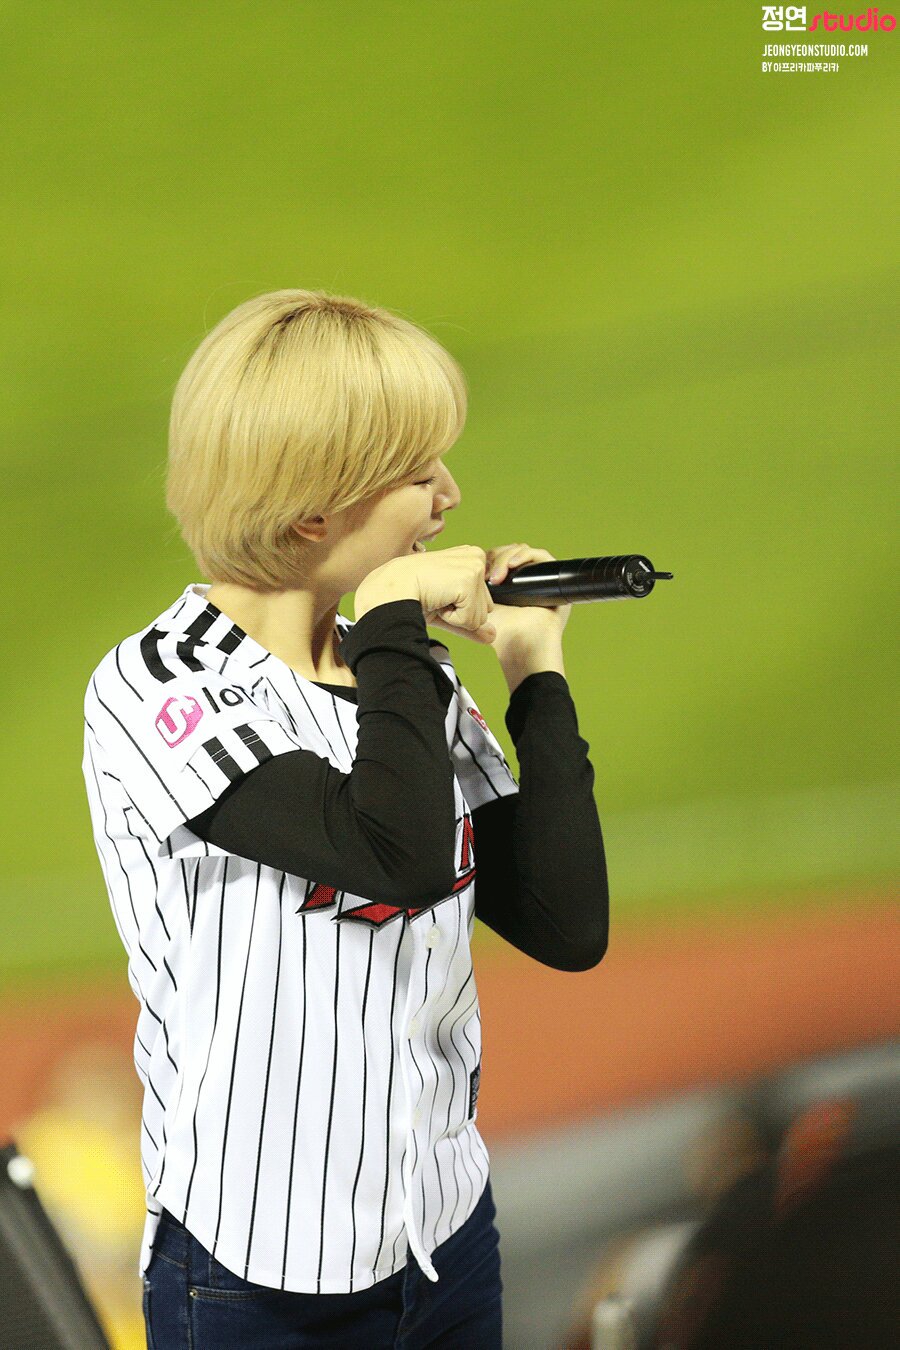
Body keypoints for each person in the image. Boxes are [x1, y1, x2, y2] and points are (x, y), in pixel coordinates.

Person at [82, 288, 609, 1348]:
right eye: (418, 475)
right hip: (259, 1285)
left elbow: (564, 922)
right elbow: (394, 855)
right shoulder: (160, 689)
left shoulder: (401, 675)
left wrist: (533, 668)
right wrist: (393, 615)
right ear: (313, 511)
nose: (450, 497)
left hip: (444, 1239)